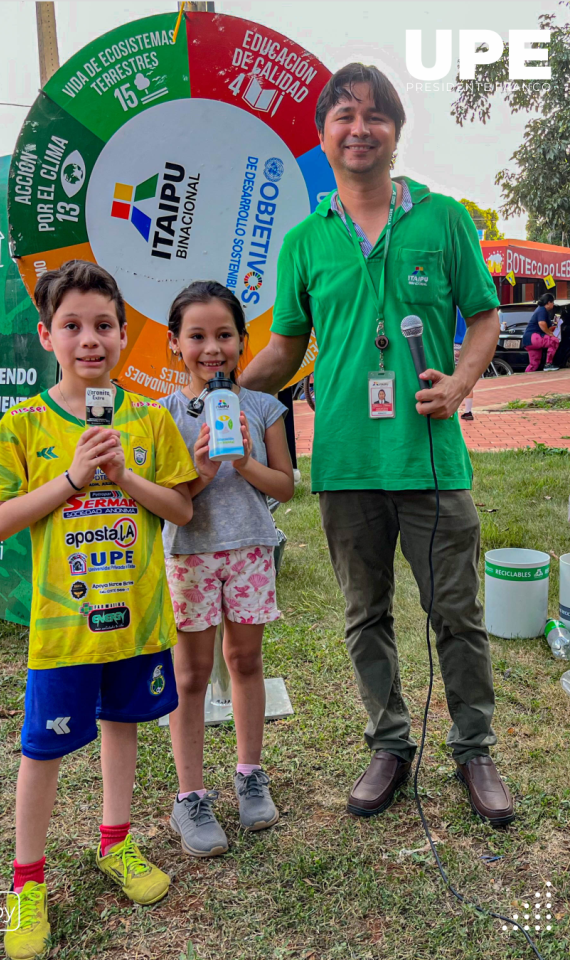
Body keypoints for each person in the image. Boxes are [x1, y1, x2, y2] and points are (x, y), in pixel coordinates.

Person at [241, 63, 514, 827]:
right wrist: (217, 392)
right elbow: (288, 349)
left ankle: (475, 750)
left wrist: (460, 383)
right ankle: (389, 745)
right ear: (322, 135)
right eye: (344, 116)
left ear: (396, 132)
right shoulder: (304, 241)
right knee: (366, 617)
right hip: (347, 462)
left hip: (429, 457)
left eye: (375, 116)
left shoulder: (444, 219)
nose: (359, 128)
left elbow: (485, 318)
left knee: (455, 612)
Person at [0, 261, 198, 959]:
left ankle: (117, 842)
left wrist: (123, 476)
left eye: (103, 325)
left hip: (133, 620)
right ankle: (26, 882)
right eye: (72, 325)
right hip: (62, 628)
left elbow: (182, 508)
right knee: (42, 749)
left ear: (125, 336)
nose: (89, 339)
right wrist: (72, 478)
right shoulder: (26, 422)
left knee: (123, 725)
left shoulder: (150, 418)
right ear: (47, 335)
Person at [160, 281, 294, 857]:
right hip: (188, 553)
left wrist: (242, 459)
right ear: (174, 344)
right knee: (189, 677)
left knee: (245, 661)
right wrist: (201, 472)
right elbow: (164, 499)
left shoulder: (263, 407)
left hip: (250, 552)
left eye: (224, 335)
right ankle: (190, 795)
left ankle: (249, 773)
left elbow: (285, 485)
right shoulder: (160, 415)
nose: (211, 348)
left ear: (243, 341)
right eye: (197, 336)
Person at [522, 293, 559, 372]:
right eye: (553, 302)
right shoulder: (542, 309)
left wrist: (551, 328)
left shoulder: (539, 309)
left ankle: (526, 378)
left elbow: (544, 325)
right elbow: (541, 323)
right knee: (554, 341)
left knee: (534, 364)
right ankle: (548, 364)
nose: (553, 304)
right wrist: (550, 333)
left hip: (528, 340)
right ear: (548, 302)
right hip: (534, 336)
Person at [455, 307, 475, 420]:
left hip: (452, 345)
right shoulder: (467, 309)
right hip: (467, 344)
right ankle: (468, 411)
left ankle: (453, 409)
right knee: (466, 378)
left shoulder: (450, 307)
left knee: (450, 377)